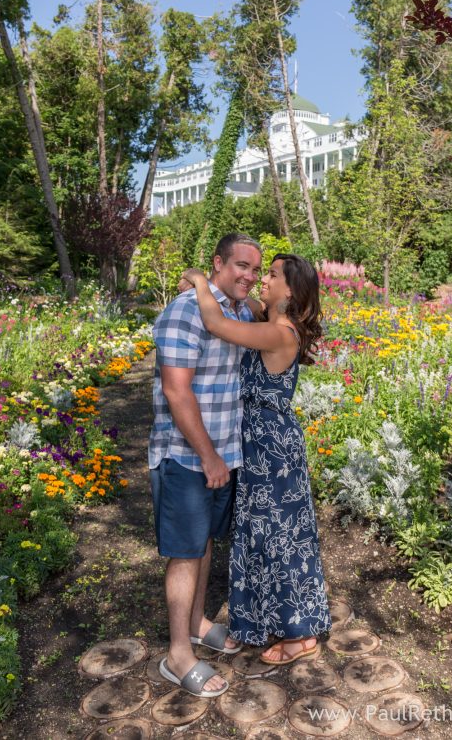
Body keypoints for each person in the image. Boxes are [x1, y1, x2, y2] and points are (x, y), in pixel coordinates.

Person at [182, 253, 332, 666]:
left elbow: (216, 323)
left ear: (291, 290)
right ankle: (276, 622)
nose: (262, 279)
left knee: (280, 540)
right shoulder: (271, 321)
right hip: (261, 443)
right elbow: (241, 299)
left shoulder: (280, 333)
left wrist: (198, 281)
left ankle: (300, 635)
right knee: (264, 537)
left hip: (272, 446)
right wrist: (227, 288)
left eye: (272, 275)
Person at [149, 233, 262, 698]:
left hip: (224, 454)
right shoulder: (185, 310)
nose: (249, 276)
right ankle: (178, 654)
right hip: (187, 454)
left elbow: (260, 303)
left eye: (256, 269)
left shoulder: (234, 311)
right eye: (240, 265)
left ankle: (197, 623)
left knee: (205, 544)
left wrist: (205, 281)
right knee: (185, 551)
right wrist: (208, 455)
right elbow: (177, 391)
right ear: (217, 262)